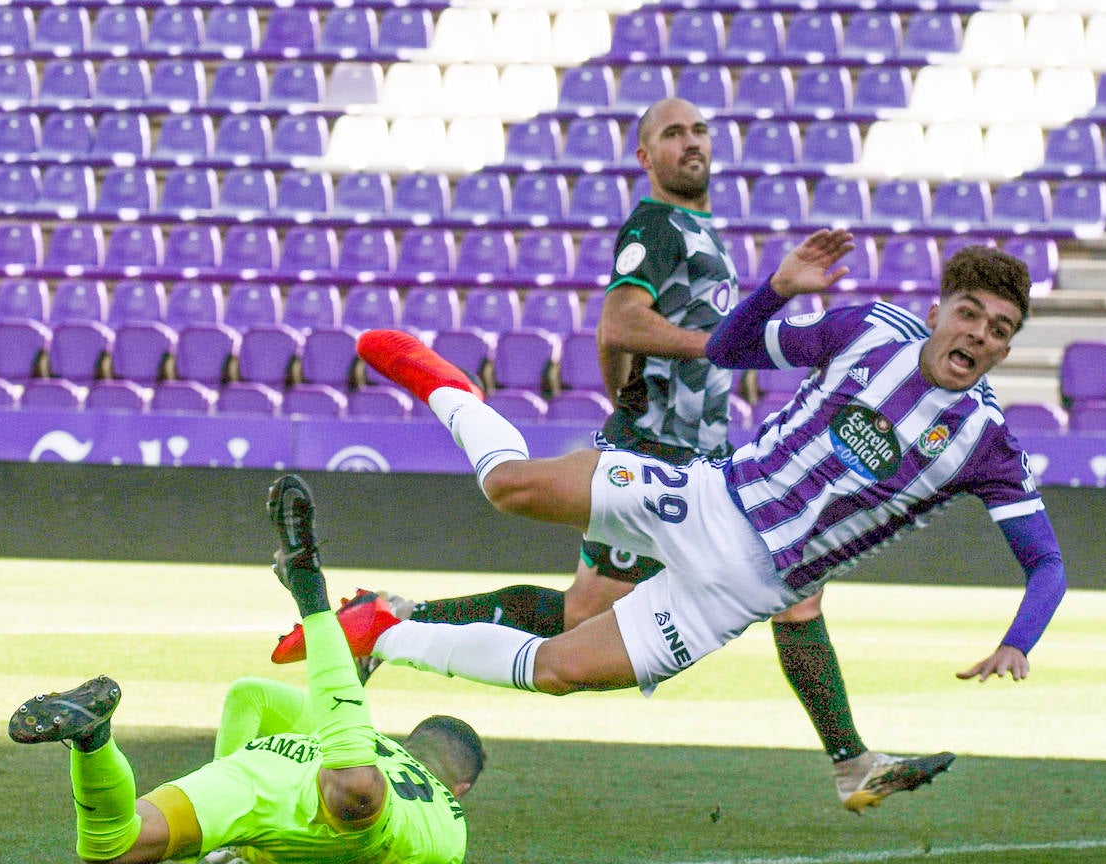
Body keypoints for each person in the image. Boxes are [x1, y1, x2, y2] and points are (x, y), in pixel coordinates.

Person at [273, 98, 953, 813]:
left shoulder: (697, 230)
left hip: (697, 458)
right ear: (645, 158)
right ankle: (850, 762)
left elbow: (617, 339)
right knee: (779, 593)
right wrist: (708, 350)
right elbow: (621, 319)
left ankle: (392, 620)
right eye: (672, 134)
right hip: (664, 459)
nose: (690, 143)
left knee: (590, 613)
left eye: (698, 131)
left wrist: (625, 378)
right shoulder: (656, 224)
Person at [334, 236, 1065, 774]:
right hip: (709, 498)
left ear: (1005, 350)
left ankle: (383, 631)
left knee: (556, 668)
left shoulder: (985, 443)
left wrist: (1018, 642)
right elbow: (727, 348)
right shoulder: (868, 329)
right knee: (510, 487)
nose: (978, 334)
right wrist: (778, 287)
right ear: (939, 310)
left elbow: (1047, 566)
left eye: (999, 330)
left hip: (742, 594)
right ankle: (448, 390)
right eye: (969, 314)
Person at [7, 474, 485, 864]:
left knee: (112, 843)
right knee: (357, 792)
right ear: (461, 788)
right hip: (335, 804)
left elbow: (250, 695)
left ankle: (94, 738)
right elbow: (390, 856)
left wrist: (226, 785)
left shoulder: (368, 737)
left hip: (252, 772)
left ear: (411, 737)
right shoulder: (452, 826)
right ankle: (309, 591)